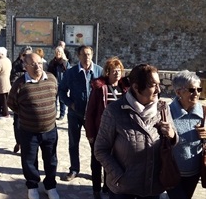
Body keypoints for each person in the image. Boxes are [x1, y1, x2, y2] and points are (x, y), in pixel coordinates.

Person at [94, 64, 179, 199]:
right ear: (136, 87)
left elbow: (173, 139)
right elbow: (100, 149)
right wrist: (118, 175)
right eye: (153, 85)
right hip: (123, 190)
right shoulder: (114, 111)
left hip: (153, 188)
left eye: (158, 84)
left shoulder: (163, 109)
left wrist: (172, 135)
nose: (158, 89)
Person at [7, 53, 59, 199]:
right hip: (29, 132)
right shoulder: (19, 84)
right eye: (33, 64)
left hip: (50, 130)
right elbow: (11, 103)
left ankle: (50, 186)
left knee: (51, 160)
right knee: (29, 161)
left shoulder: (51, 79)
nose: (37, 67)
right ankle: (32, 186)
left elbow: (54, 96)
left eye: (40, 63)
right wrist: (28, 115)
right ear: (25, 66)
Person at [85, 57, 128, 199]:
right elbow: (90, 112)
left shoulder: (125, 89)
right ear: (107, 72)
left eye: (119, 71)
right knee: (97, 161)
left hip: (119, 133)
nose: (117, 74)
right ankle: (96, 189)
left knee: (113, 161)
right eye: (114, 71)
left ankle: (107, 186)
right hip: (101, 132)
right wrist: (90, 134)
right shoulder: (99, 88)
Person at [58, 45, 103, 181]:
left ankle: (96, 172)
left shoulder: (99, 72)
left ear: (92, 55)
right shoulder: (71, 73)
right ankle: (74, 169)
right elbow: (61, 91)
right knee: (73, 143)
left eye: (89, 54)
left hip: (94, 116)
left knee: (95, 144)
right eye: (84, 54)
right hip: (75, 114)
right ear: (78, 56)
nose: (87, 57)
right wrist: (70, 103)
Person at [167, 70, 206, 199]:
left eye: (199, 89)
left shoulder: (204, 113)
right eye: (191, 90)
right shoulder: (167, 113)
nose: (197, 93)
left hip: (195, 173)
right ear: (178, 92)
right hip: (172, 172)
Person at [10, 45, 33, 153]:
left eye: (28, 55)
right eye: (24, 55)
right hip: (19, 97)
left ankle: (25, 145)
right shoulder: (16, 65)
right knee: (17, 123)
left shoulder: (34, 65)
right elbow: (13, 80)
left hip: (31, 98)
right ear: (21, 55)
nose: (26, 57)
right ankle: (18, 142)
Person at [47, 46, 71, 120]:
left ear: (62, 53)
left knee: (62, 99)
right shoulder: (52, 62)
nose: (58, 54)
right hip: (53, 83)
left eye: (59, 52)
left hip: (62, 83)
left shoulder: (65, 63)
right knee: (53, 99)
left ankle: (62, 114)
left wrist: (67, 82)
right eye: (56, 52)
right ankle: (53, 114)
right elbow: (49, 72)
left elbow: (68, 72)